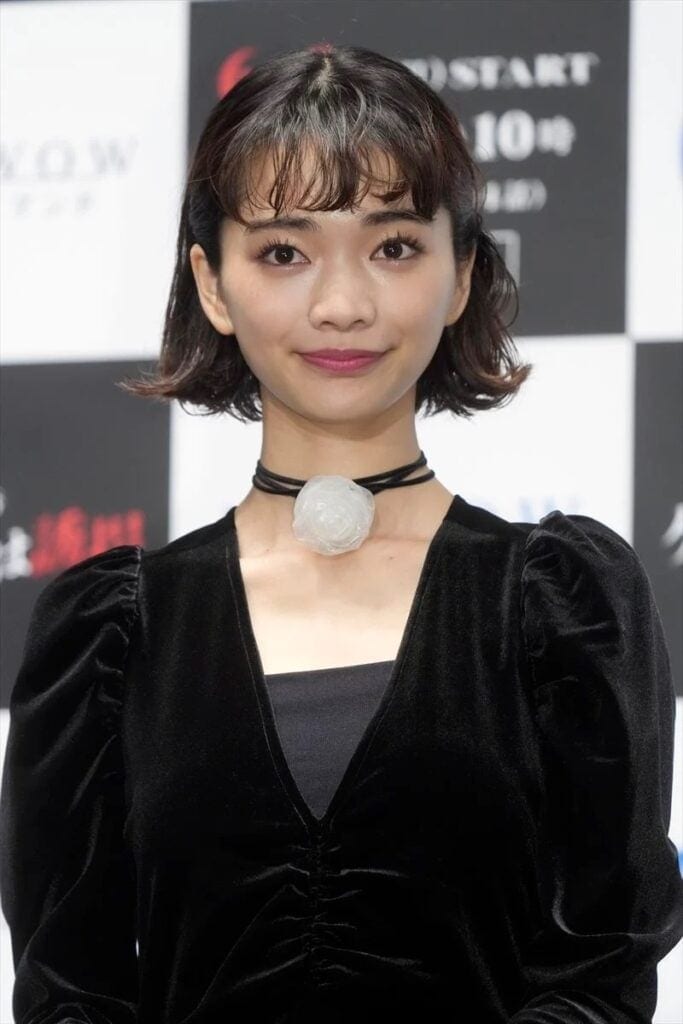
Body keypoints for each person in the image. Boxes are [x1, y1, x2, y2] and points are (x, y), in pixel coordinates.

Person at [1, 43, 681, 1024]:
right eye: (283, 251)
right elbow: (70, 995)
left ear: (460, 275)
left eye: (393, 246)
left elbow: (599, 981)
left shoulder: (561, 605)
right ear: (211, 283)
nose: (341, 305)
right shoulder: (112, 634)